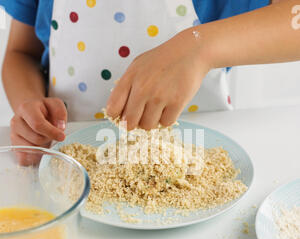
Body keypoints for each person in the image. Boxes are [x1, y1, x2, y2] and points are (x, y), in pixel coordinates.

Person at [1, 0, 299, 155]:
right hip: (72, 168)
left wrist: (199, 47)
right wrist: (30, 107)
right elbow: (20, 54)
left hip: (196, 163)